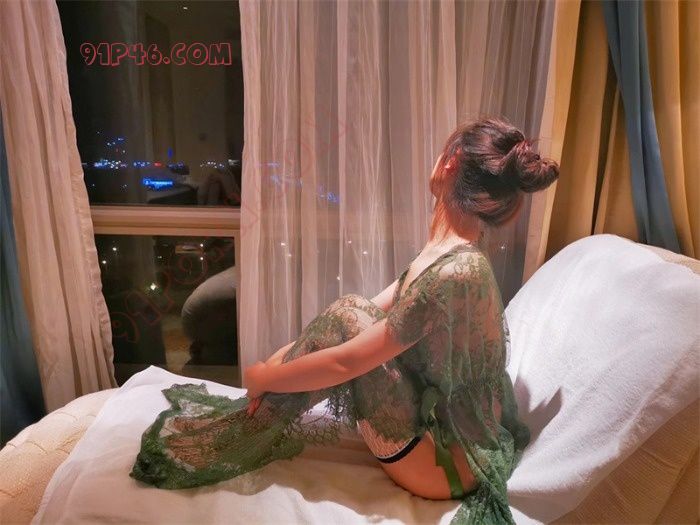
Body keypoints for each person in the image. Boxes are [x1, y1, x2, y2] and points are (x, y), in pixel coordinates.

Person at [130, 117, 559, 524]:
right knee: (351, 309)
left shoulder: (456, 271)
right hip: (435, 440)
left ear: (451, 162)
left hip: (444, 465)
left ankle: (237, 435)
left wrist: (263, 376)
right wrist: (275, 367)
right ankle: (246, 425)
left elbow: (346, 360)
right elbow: (351, 320)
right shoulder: (445, 257)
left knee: (349, 317)